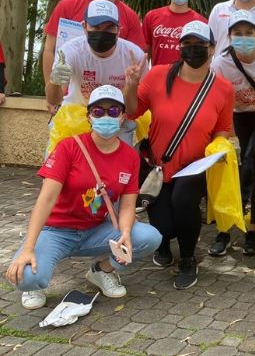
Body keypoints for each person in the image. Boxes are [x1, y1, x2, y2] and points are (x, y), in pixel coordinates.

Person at [4, 85, 161, 309]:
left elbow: (127, 205)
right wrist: (29, 248)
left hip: (96, 229)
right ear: (89, 117)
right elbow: (45, 200)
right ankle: (35, 277)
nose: (106, 116)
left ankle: (102, 270)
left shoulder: (130, 157)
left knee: (149, 237)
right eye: (98, 112)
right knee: (27, 277)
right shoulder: (69, 147)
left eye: (113, 111)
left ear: (123, 117)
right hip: (56, 230)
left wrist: (125, 233)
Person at [126, 21, 234, 290]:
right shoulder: (158, 76)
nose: (193, 49)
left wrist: (220, 150)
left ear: (212, 48)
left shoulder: (223, 88)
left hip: (194, 166)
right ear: (179, 47)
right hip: (159, 166)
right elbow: (131, 111)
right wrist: (131, 85)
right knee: (164, 226)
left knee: (184, 204)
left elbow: (222, 130)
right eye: (187, 44)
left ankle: (187, 258)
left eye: (200, 44)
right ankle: (163, 244)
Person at [209, 10, 255, 257]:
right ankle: (224, 230)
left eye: (249, 33)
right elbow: (218, 102)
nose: (244, 38)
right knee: (231, 173)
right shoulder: (220, 64)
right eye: (237, 33)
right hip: (234, 118)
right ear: (229, 36)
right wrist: (227, 137)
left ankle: (254, 228)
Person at [42, 0, 146, 113]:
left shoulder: (129, 16)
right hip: (73, 95)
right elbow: (50, 50)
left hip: (114, 105)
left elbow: (134, 60)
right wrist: (52, 86)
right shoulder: (68, 5)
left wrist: (131, 86)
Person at [46, 0, 148, 146]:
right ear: (84, 26)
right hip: (76, 118)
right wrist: (54, 81)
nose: (102, 32)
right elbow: (53, 100)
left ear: (118, 30)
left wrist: (131, 85)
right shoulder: (69, 51)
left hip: (116, 121)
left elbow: (131, 109)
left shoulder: (134, 56)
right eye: (96, 26)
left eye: (109, 27)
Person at [143, 0, 207, 66]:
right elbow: (145, 51)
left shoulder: (201, 22)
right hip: (157, 78)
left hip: (187, 79)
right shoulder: (152, 16)